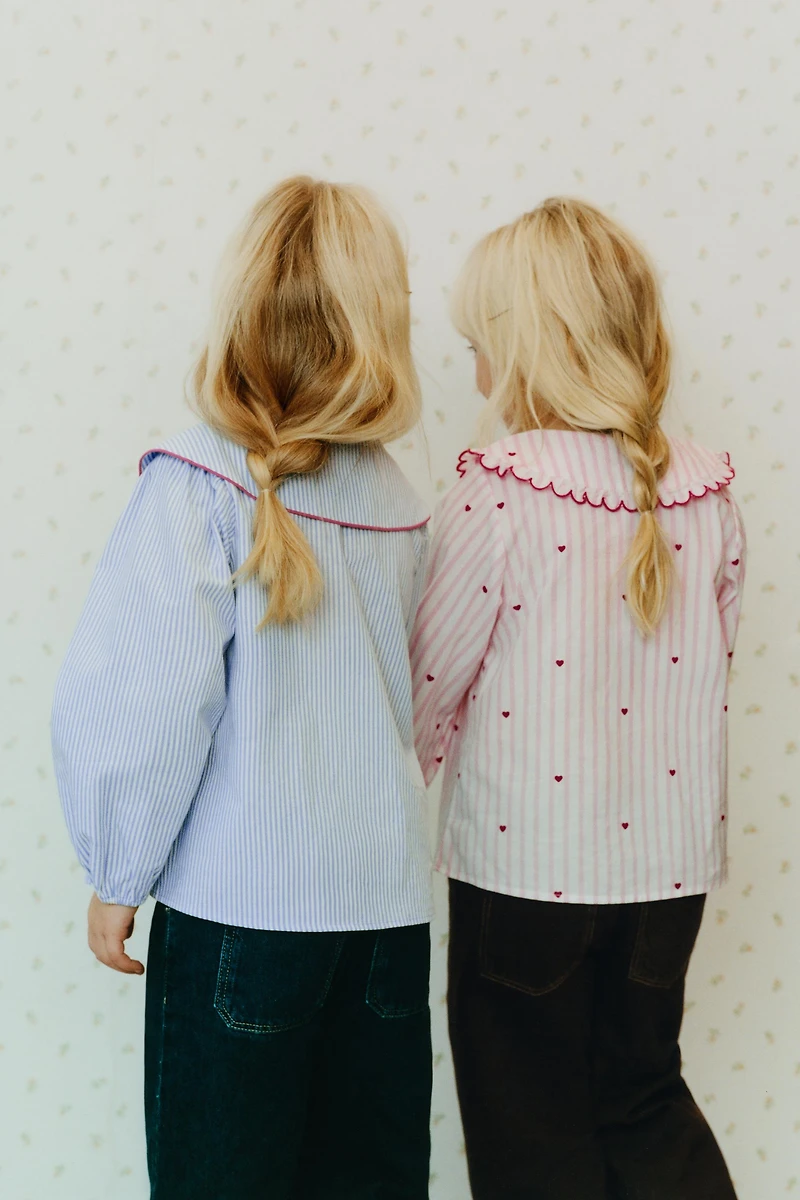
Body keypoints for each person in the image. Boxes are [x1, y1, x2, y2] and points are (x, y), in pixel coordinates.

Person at [52, 176, 434, 1200]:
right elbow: (424, 697)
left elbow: (144, 704)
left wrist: (115, 867)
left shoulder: (193, 482)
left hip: (238, 921)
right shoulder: (399, 498)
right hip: (387, 923)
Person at [411, 197, 744, 1200]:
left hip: (524, 869)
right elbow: (715, 661)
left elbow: (431, 680)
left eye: (479, 346)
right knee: (642, 1099)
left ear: (527, 350)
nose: (470, 373)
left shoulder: (498, 483)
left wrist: (395, 796)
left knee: (528, 1131)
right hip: (667, 876)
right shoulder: (706, 488)